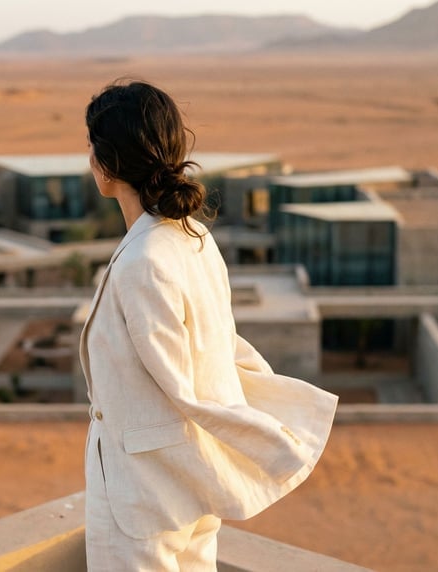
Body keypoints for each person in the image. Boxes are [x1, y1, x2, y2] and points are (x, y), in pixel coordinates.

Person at [81, 80, 337, 571]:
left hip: (143, 498)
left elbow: (186, 384)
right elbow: (220, 347)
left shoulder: (144, 259)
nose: (88, 157)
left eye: (91, 145)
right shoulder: (192, 235)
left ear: (109, 163)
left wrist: (275, 440)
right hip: (185, 486)